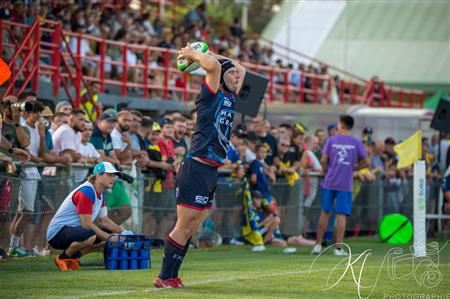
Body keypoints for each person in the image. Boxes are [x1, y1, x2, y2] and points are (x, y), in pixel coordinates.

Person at [153, 45, 245, 288]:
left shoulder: (230, 96)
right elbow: (213, 66)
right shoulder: (212, 93)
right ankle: (164, 277)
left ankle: (171, 277)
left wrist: (220, 58)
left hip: (210, 169)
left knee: (191, 227)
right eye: (232, 74)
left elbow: (241, 68)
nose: (237, 76)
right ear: (222, 75)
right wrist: (194, 54)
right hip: (196, 166)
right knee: (184, 226)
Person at [46, 162, 126, 271]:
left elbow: (104, 221)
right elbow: (87, 224)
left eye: (114, 175)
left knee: (107, 235)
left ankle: (74, 257)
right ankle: (62, 258)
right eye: (109, 175)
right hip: (56, 234)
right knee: (92, 236)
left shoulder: (101, 194)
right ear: (98, 175)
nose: (113, 178)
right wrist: (110, 238)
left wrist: (125, 233)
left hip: (72, 231)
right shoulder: (86, 192)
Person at [311, 115, 369, 256]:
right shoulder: (355, 142)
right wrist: (353, 169)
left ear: (341, 125)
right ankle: (338, 249)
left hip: (329, 181)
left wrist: (325, 172)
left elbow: (324, 160)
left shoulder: (331, 140)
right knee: (341, 215)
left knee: (325, 213)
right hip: (345, 183)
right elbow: (366, 162)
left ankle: (317, 246)